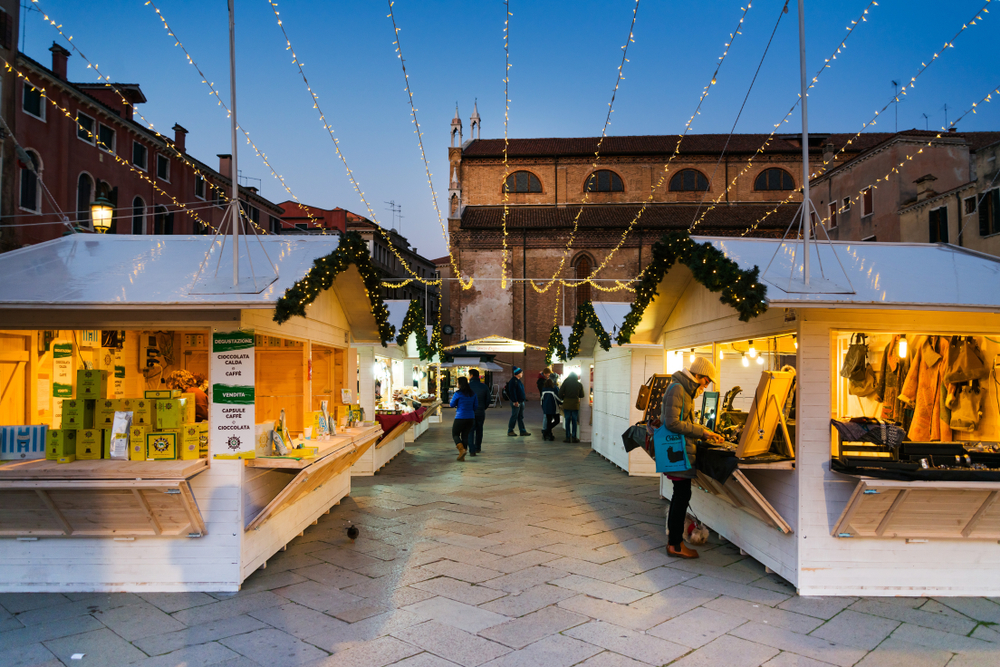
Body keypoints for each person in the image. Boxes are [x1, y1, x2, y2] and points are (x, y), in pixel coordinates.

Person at [662, 357, 725, 559]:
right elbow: (671, 423)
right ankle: (675, 545)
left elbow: (684, 421)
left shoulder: (683, 389)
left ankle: (675, 542)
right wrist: (703, 433)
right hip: (678, 451)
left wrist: (704, 430)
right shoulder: (679, 389)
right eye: (706, 381)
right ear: (698, 376)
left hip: (682, 451)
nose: (706, 386)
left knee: (681, 495)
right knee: (681, 496)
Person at [450, 376, 478, 461]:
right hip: (470, 418)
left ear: (460, 384)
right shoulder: (473, 393)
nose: (457, 384)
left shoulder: (457, 393)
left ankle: (461, 450)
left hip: (460, 417)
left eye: (457, 382)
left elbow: (452, 404)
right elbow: (475, 406)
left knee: (455, 434)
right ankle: (463, 455)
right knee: (465, 435)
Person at [468, 368, 490, 456]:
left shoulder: (467, 386)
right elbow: (488, 400)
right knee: (479, 429)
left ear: (471, 376)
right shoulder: (484, 386)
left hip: (469, 412)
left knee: (470, 430)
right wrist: (483, 408)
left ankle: (472, 449)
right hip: (480, 411)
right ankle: (478, 447)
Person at [559, 371, 584, 443]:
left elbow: (560, 393)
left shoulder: (565, 383)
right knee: (574, 421)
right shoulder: (579, 384)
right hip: (575, 404)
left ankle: (567, 437)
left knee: (567, 421)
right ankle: (574, 437)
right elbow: (582, 395)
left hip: (566, 404)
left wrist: (564, 398)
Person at [506, 367, 530, 436]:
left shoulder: (518, 380)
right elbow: (512, 392)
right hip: (516, 402)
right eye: (521, 372)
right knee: (514, 416)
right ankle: (510, 430)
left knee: (520, 417)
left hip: (521, 401)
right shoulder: (513, 381)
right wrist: (515, 401)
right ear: (518, 373)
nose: (522, 374)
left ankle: (522, 431)